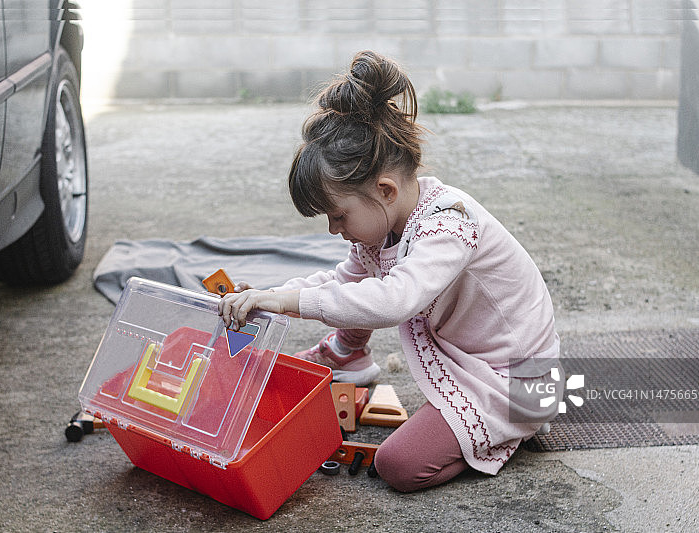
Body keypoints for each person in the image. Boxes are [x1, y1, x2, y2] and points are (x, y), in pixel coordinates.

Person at [219, 50, 562, 492]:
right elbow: (343, 283)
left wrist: (287, 302)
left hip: (516, 378)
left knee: (397, 466)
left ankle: (520, 426)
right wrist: (270, 295)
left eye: (338, 216)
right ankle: (349, 356)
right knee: (359, 282)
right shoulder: (382, 227)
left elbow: (394, 300)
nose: (333, 230)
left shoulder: (449, 224)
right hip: (471, 359)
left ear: (385, 190)